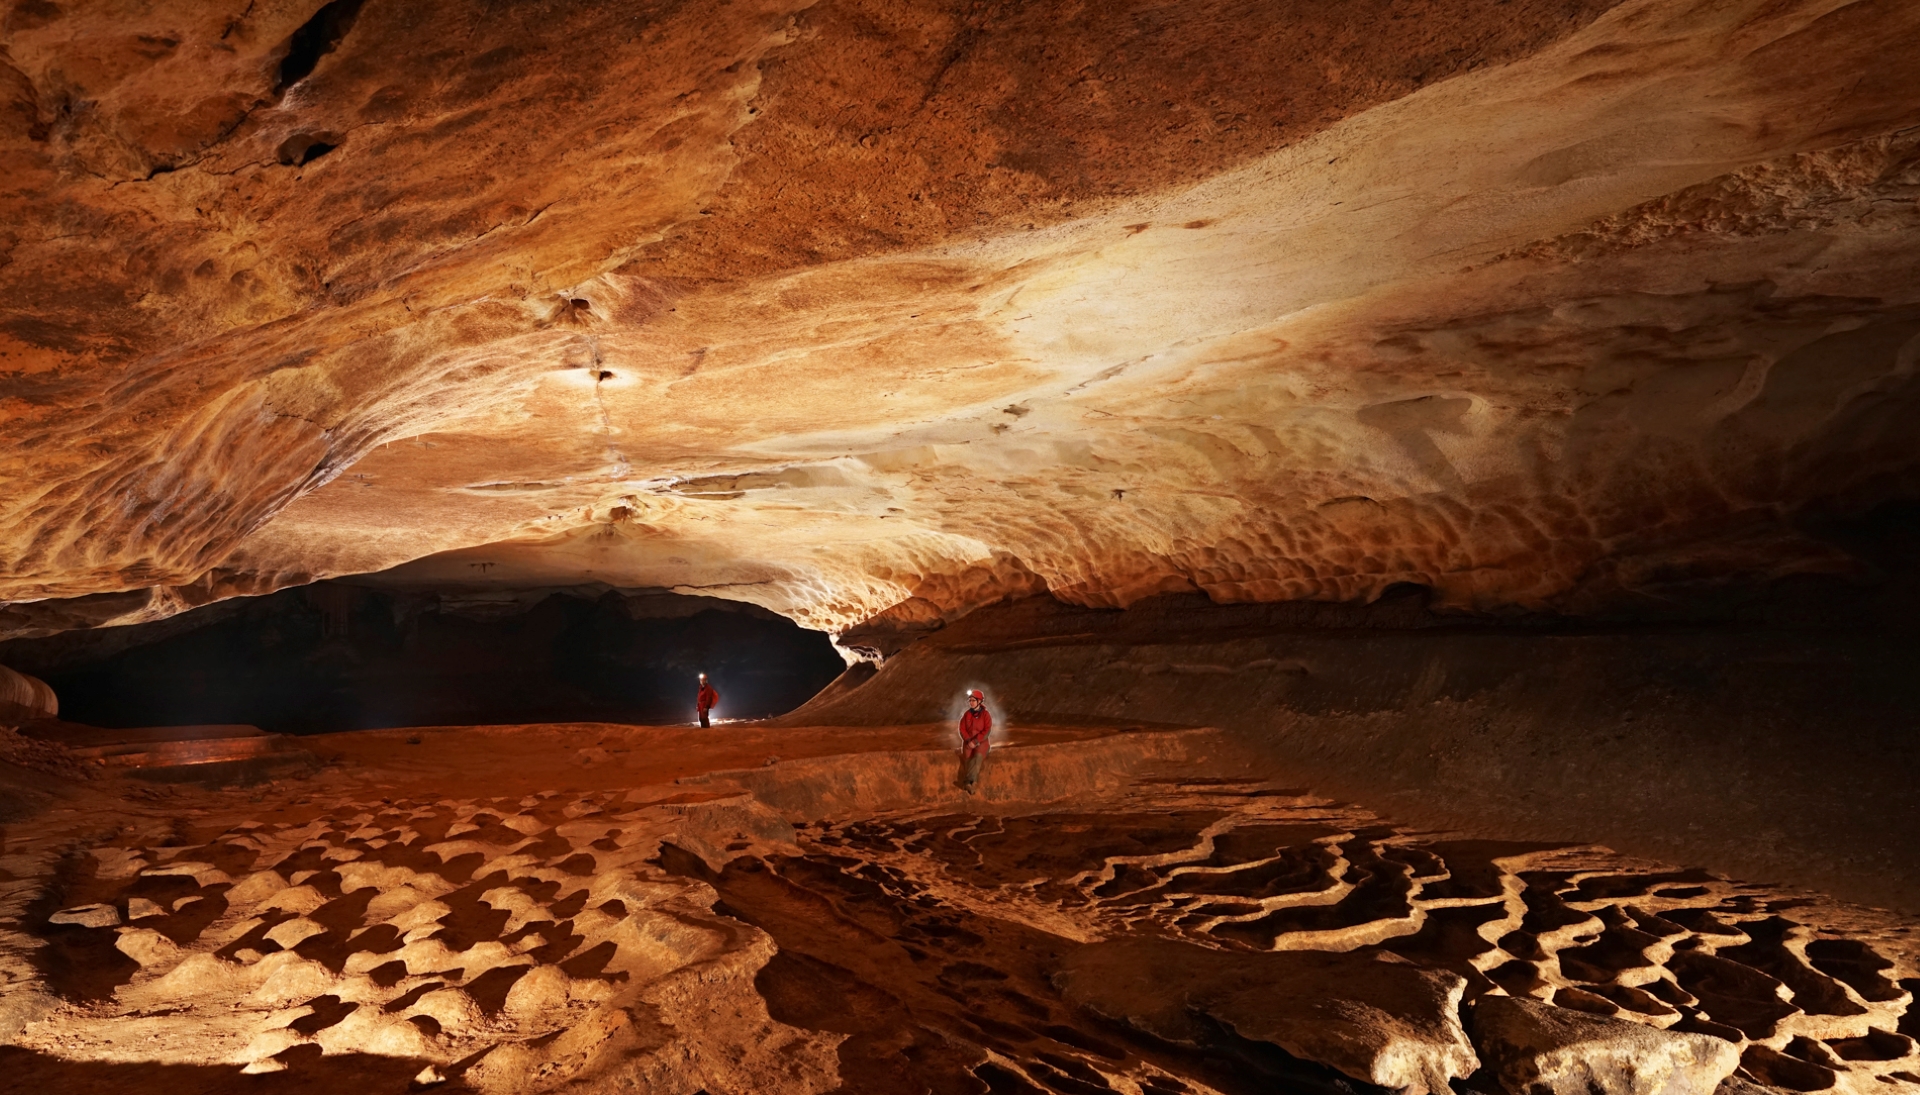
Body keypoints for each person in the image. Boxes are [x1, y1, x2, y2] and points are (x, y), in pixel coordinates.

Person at [958, 689, 992, 795]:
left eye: (973, 700)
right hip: (968, 743)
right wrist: (968, 740)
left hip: (981, 743)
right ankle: (973, 783)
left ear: (979, 702)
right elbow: (962, 729)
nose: (971, 702)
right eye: (970, 700)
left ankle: (968, 781)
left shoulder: (985, 715)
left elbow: (987, 730)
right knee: (968, 760)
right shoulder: (966, 715)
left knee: (977, 758)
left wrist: (976, 741)